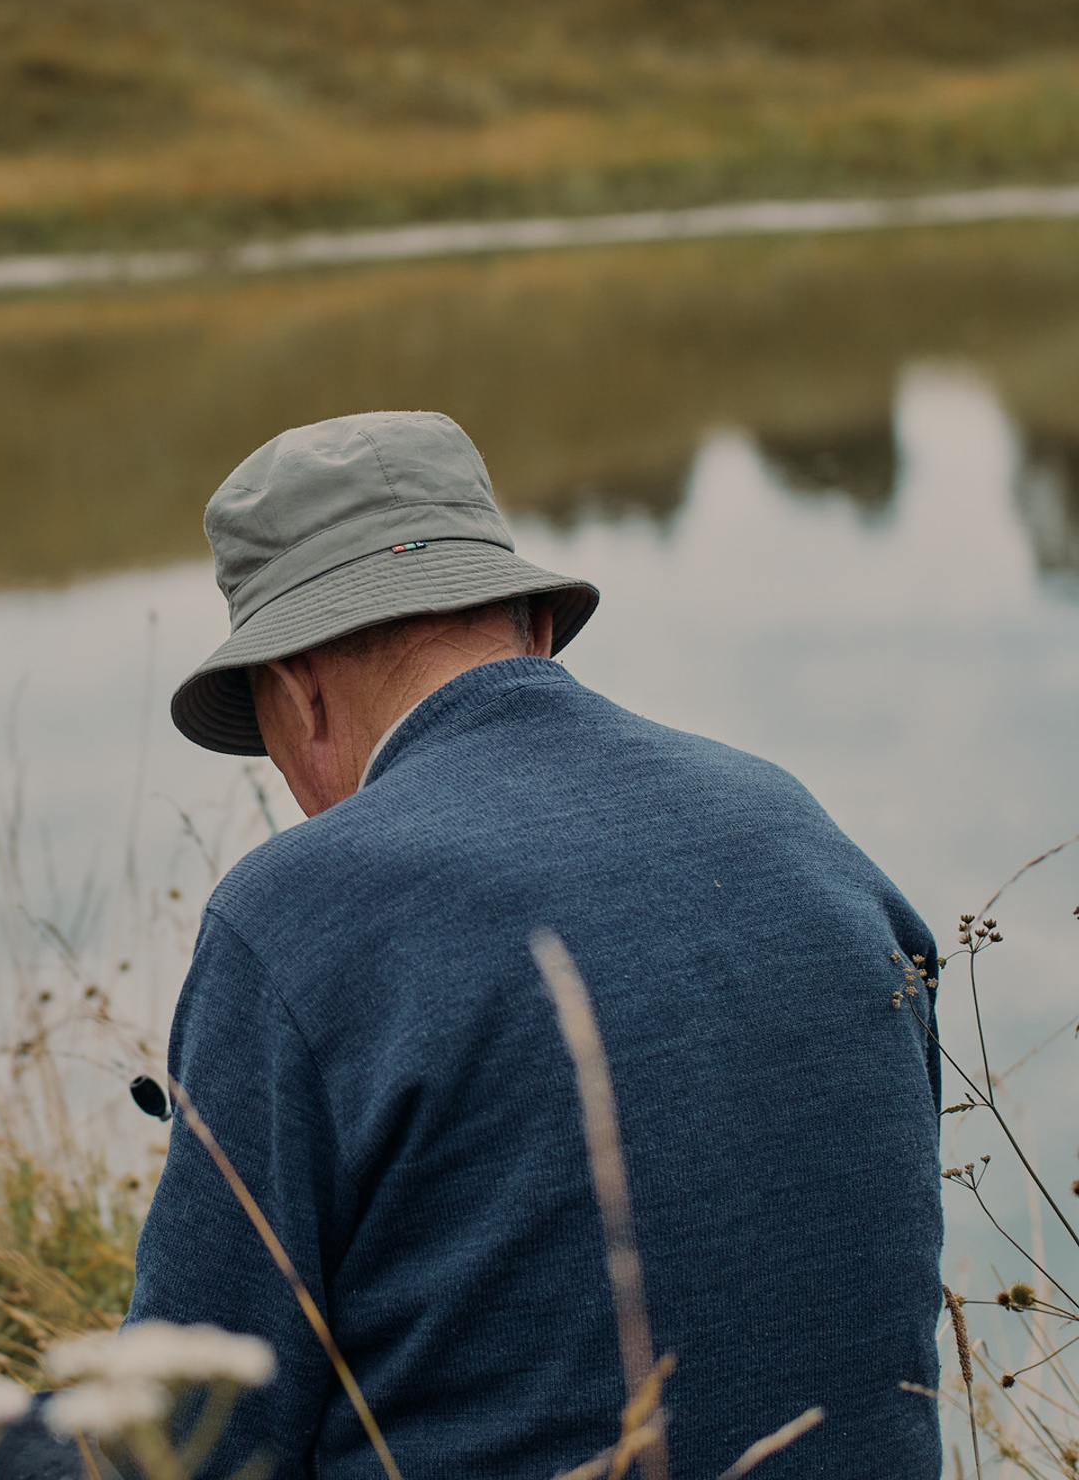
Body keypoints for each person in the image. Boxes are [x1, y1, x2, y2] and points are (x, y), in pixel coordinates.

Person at [123, 409, 942, 1480]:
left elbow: (180, 1438)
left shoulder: (299, 911)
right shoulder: (808, 836)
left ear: (296, 689)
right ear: (536, 629)